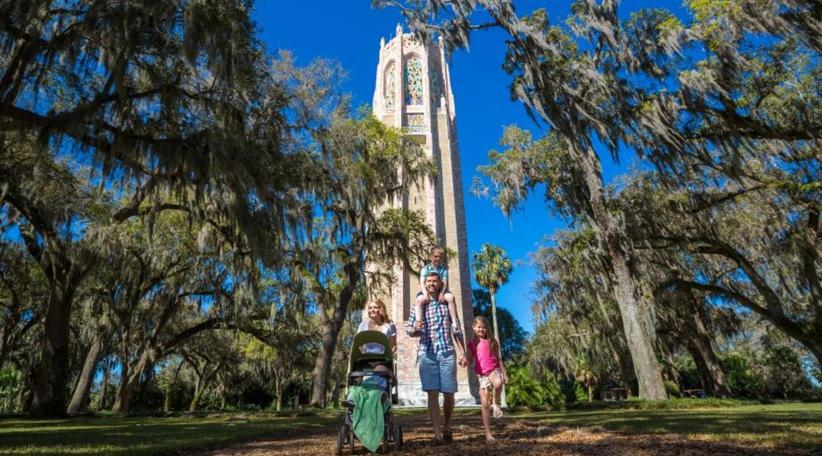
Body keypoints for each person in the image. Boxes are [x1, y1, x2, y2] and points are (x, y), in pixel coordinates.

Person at [407, 271, 466, 444]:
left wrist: (463, 351)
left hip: (447, 351)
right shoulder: (418, 305)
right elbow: (409, 330)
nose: (432, 284)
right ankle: (437, 434)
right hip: (427, 353)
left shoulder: (447, 303)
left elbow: (457, 329)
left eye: (435, 281)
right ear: (425, 284)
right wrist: (416, 328)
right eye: (429, 281)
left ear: (440, 283)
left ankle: (447, 426)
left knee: (448, 392)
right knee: (432, 393)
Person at [461, 315, 509, 443]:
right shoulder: (472, 344)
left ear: (487, 328)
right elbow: (469, 358)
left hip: (494, 370)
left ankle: (496, 402)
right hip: (481, 375)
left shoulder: (493, 341)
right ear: (474, 328)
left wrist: (505, 373)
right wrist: (464, 361)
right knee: (484, 404)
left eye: (483, 327)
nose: (481, 329)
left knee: (498, 383)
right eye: (478, 327)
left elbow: (499, 359)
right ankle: (488, 434)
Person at [413, 247, 461, 339]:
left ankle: (455, 325)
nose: (438, 259)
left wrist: (442, 293)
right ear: (430, 257)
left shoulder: (443, 269)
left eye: (440, 257)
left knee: (451, 298)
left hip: (441, 290)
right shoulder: (425, 269)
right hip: (427, 291)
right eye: (436, 256)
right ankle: (418, 324)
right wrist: (425, 294)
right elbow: (422, 282)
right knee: (419, 300)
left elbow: (444, 282)